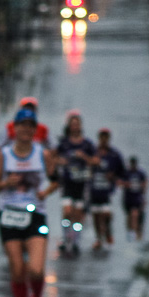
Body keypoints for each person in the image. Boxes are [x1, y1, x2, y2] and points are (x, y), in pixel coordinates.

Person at [0, 108, 59, 297]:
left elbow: (56, 180)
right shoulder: (5, 154)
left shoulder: (42, 154)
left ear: (35, 130)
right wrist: (6, 184)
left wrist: (44, 193)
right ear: (15, 129)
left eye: (31, 126)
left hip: (35, 214)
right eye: (22, 126)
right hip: (9, 215)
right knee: (18, 269)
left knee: (37, 270)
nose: (26, 130)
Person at [54, 110, 96, 257]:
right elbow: (54, 158)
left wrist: (84, 157)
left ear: (80, 126)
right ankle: (66, 239)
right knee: (67, 211)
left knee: (78, 215)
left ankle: (76, 241)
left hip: (82, 183)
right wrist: (61, 161)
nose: (74, 127)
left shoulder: (87, 144)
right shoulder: (64, 143)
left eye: (77, 124)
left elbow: (95, 161)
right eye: (72, 124)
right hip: (67, 182)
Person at [87, 128, 125, 250]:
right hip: (94, 189)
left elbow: (122, 171)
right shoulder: (93, 152)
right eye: (102, 137)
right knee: (96, 215)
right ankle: (99, 238)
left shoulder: (114, 154)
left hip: (107, 190)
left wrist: (114, 177)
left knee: (106, 214)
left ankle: (108, 231)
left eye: (106, 137)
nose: (104, 140)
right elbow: (84, 165)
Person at [121, 157, 148, 241]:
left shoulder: (140, 173)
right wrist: (126, 184)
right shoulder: (126, 173)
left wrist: (143, 197)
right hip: (128, 198)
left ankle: (136, 234)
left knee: (136, 215)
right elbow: (121, 183)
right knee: (129, 216)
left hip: (137, 198)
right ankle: (130, 232)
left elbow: (145, 184)